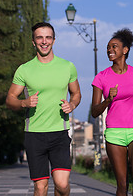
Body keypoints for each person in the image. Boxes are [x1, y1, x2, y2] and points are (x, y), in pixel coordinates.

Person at [6, 22, 81, 196]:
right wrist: (24, 103)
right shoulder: (24, 70)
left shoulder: (67, 66)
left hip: (59, 134)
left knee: (62, 186)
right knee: (41, 187)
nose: (44, 41)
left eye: (48, 37)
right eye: (40, 37)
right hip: (34, 135)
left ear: (54, 40)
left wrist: (72, 104)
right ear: (33, 41)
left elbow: (76, 93)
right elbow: (10, 100)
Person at [91, 28, 133, 196]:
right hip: (114, 133)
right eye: (108, 47)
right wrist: (108, 100)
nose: (110, 50)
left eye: (114, 46)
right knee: (122, 184)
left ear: (125, 50)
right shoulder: (101, 78)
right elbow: (94, 112)